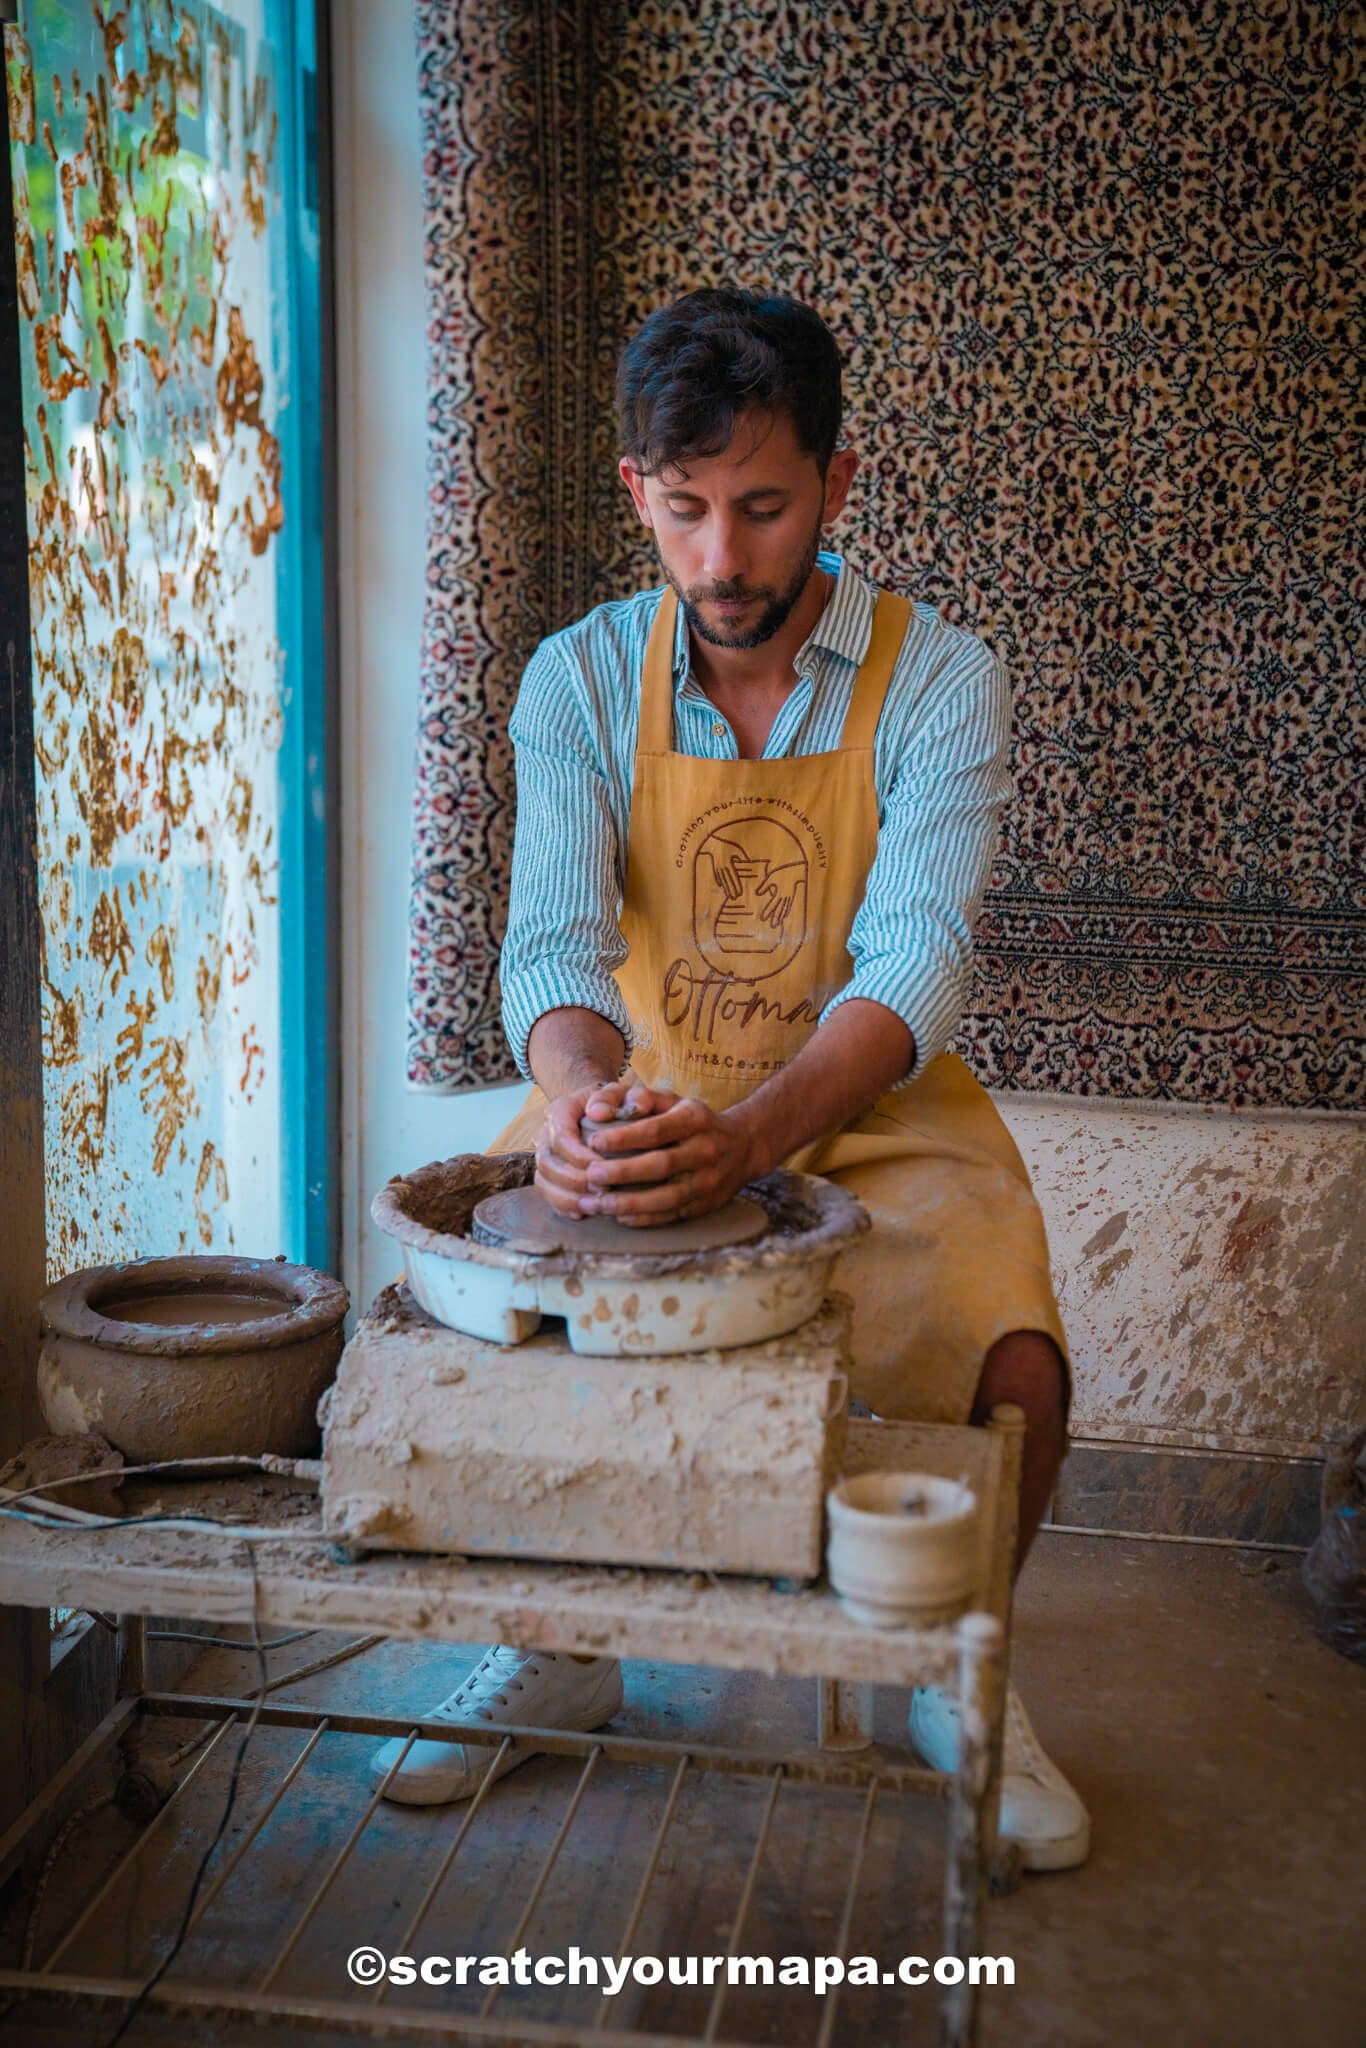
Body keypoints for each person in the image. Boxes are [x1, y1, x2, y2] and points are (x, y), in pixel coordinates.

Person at [375, 288, 1090, 1872]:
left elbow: (913, 967)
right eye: (685, 509)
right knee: (480, 1322)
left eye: (762, 508)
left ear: (835, 486)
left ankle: (960, 1674)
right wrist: (581, 1106)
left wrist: (753, 1141)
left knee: (1017, 1366)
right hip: (646, 1098)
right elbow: (551, 953)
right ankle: (556, 1643)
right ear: (638, 492)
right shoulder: (575, 678)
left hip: (871, 1110)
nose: (721, 559)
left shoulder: (939, 675)